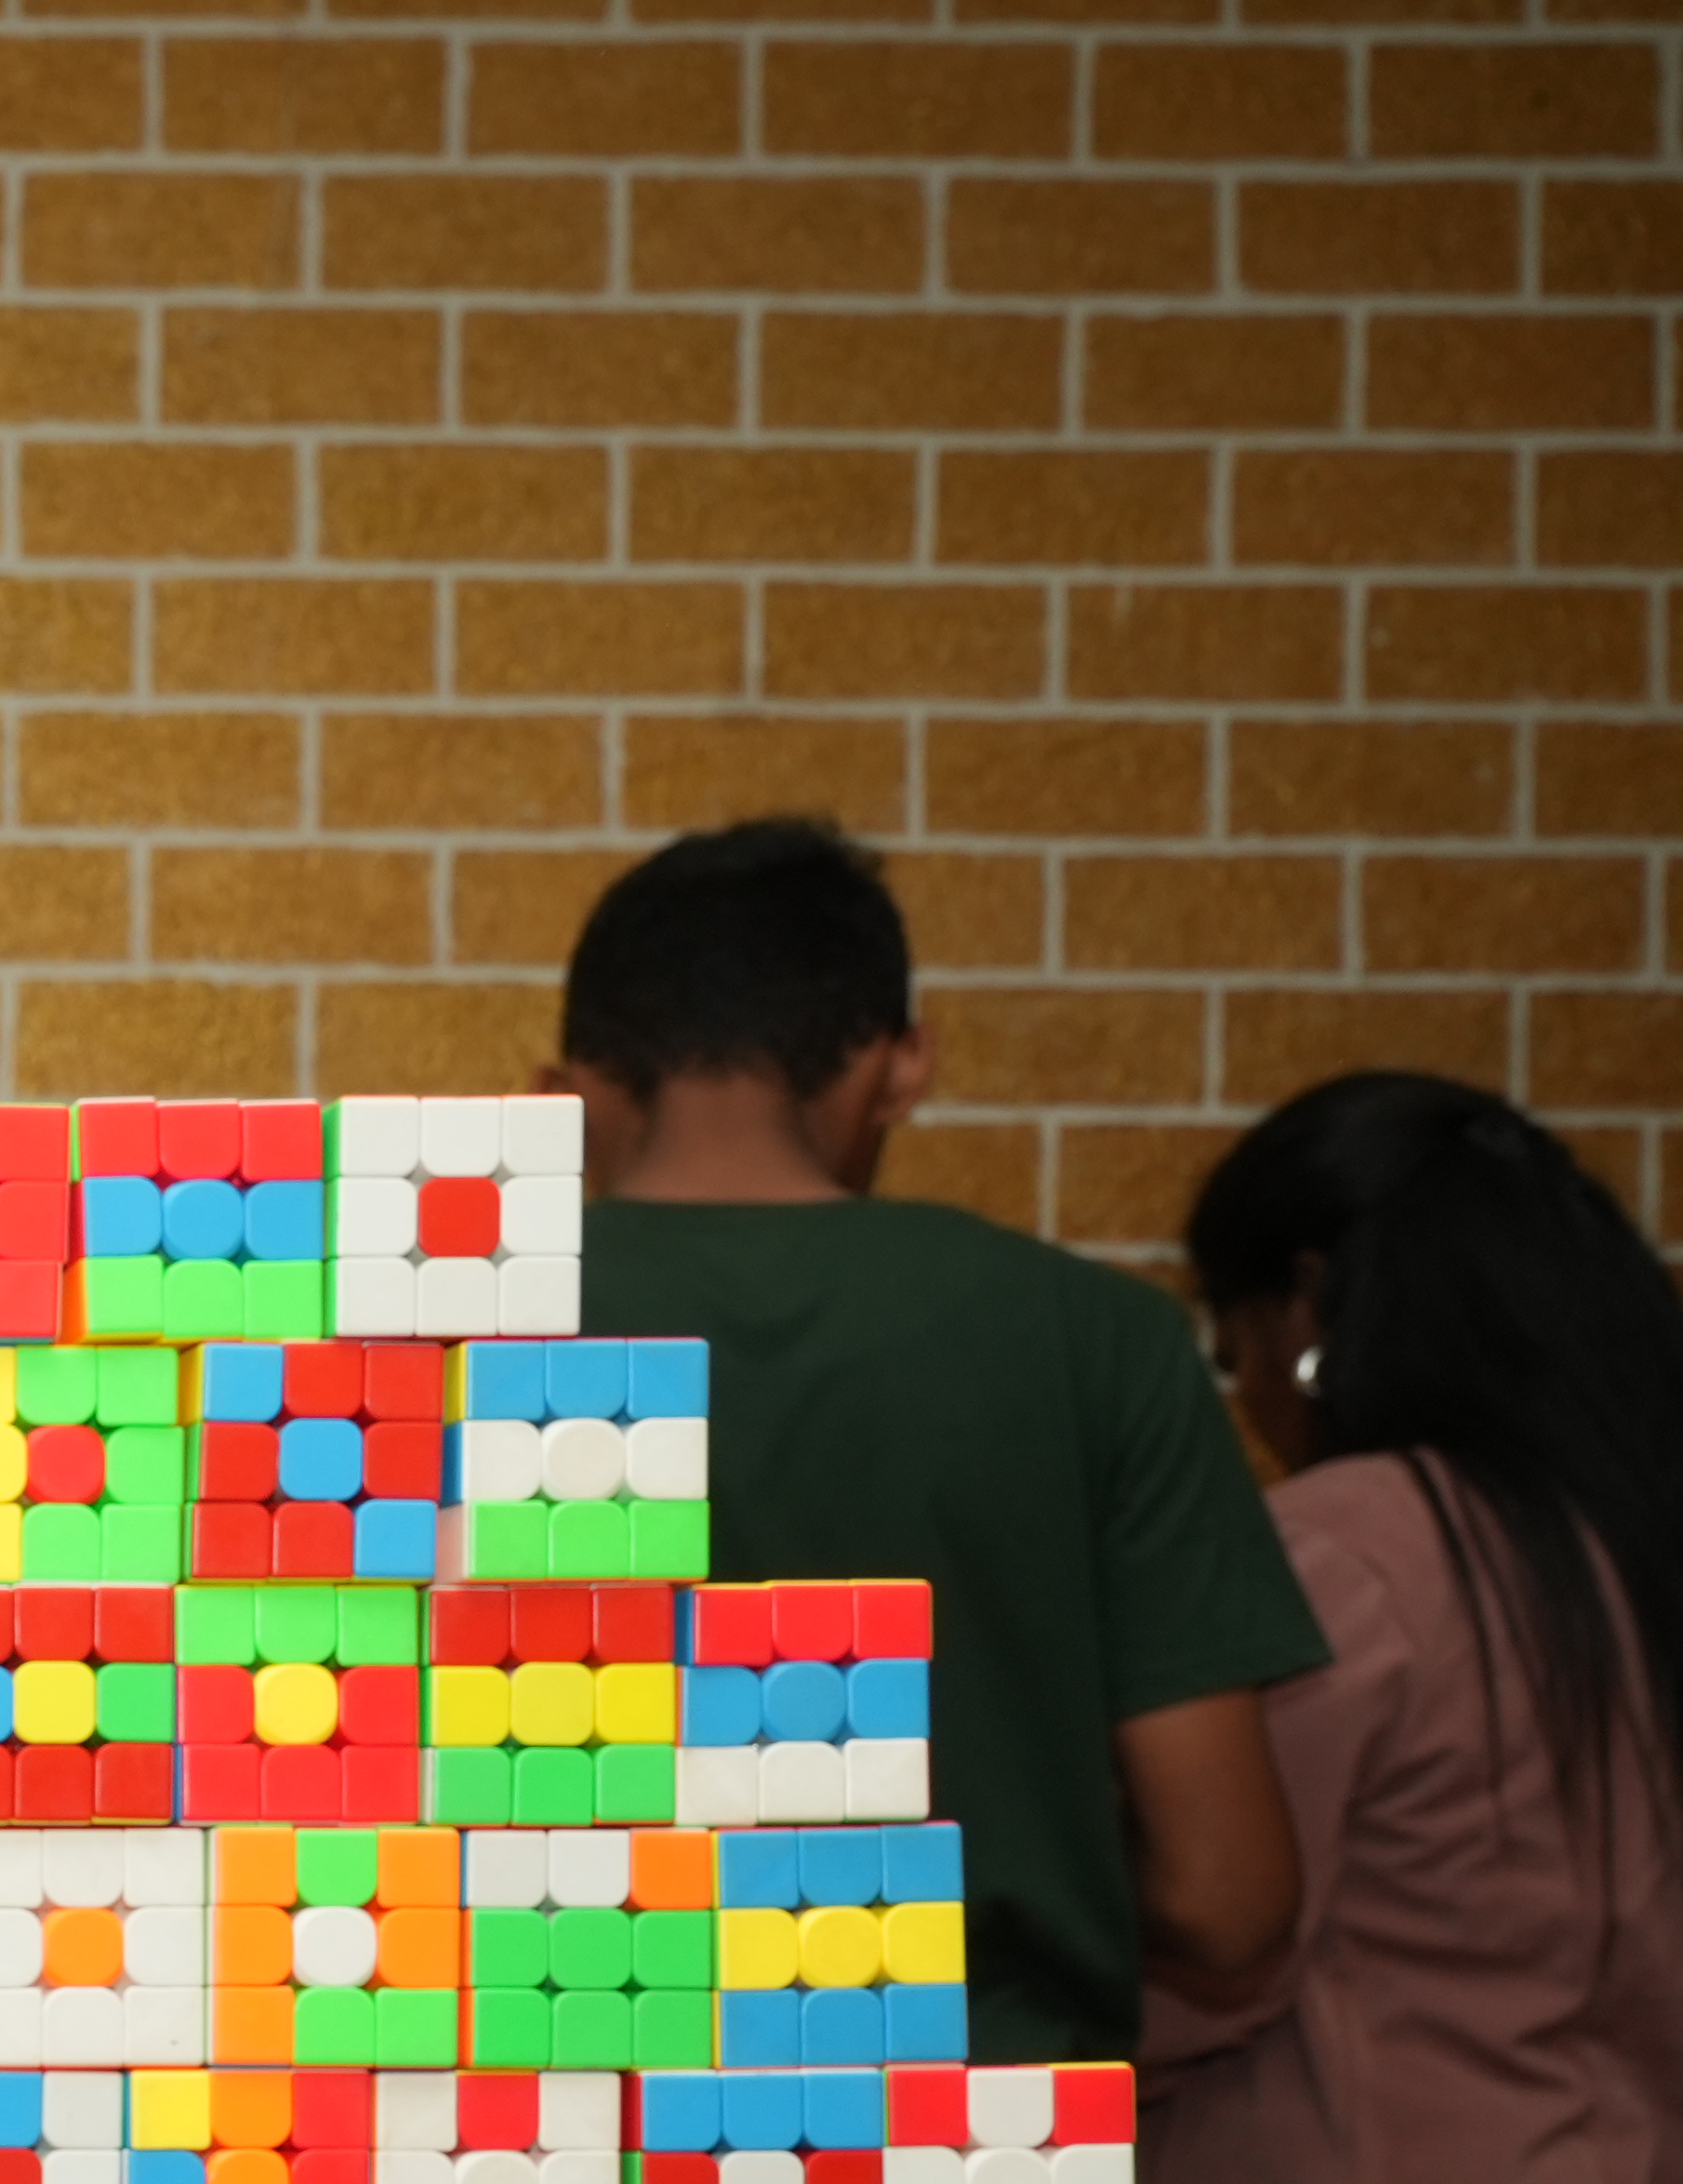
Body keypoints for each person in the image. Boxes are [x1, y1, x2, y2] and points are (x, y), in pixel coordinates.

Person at [1147, 1077, 1683, 2184]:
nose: (1242, 1406)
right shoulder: (1636, 1544)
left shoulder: (1357, 1550)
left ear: (1313, 1308)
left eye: (1236, 1351)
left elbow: (1217, 1930)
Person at [547, 815, 1316, 2060]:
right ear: (901, 1068)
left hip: (527, 2148)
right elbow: (1229, 1898)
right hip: (971, 2150)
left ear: (559, 1097)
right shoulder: (1098, 1338)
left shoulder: (408, 1338)